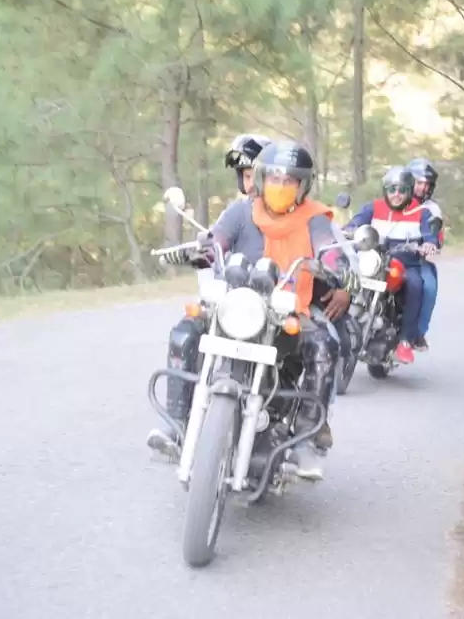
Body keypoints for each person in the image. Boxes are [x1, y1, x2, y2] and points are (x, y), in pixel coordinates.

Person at [148, 140, 359, 481]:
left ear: (302, 186)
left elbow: (329, 249)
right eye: (274, 179)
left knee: (325, 346)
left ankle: (305, 440)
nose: (280, 187)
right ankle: (175, 424)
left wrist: (337, 266)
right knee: (184, 332)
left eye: (289, 181)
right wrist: (198, 251)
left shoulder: (315, 219)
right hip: (236, 306)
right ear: (261, 180)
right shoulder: (241, 212)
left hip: (286, 310)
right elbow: (217, 239)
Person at [344, 166, 440, 365]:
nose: (396, 195)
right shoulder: (375, 207)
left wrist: (429, 244)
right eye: (392, 189)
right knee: (345, 275)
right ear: (385, 190)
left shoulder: (421, 212)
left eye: (402, 190)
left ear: (409, 191)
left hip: (405, 264)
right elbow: (357, 223)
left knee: (415, 286)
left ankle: (405, 341)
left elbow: (430, 234)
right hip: (373, 260)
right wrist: (347, 230)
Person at [407, 157, 443, 351]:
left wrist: (431, 243)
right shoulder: (395, 198)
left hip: (416, 258)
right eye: (419, 182)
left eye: (426, 184)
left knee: (428, 286)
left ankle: (418, 333)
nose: (422, 188)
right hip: (385, 254)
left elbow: (436, 236)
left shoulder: (431, 209)